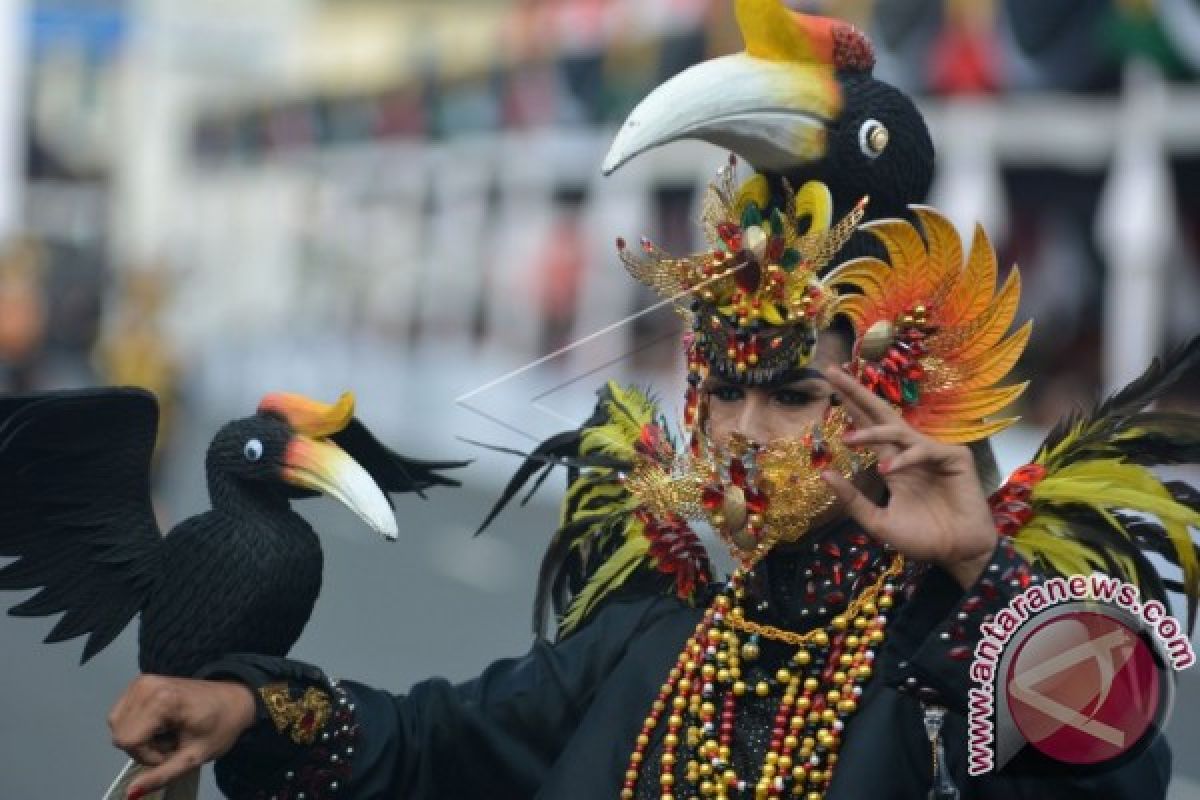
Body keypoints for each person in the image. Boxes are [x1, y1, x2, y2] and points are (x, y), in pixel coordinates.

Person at [107, 5, 1197, 800]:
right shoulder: (644, 647)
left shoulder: (944, 669)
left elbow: (1110, 777)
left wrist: (981, 569)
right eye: (719, 390)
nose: (737, 430)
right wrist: (246, 708)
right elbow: (425, 741)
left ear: (890, 418)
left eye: (791, 395)